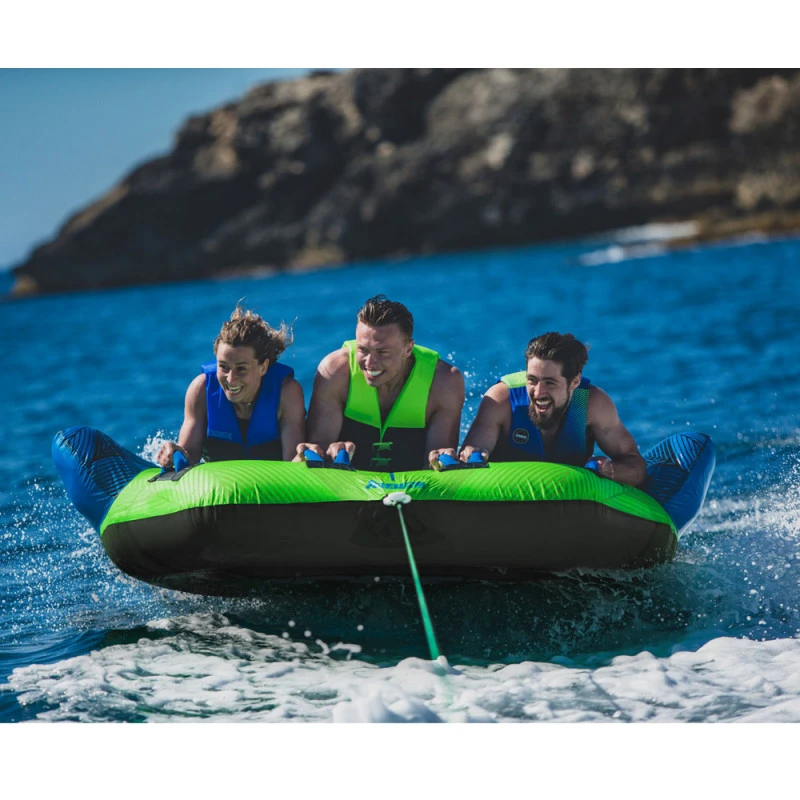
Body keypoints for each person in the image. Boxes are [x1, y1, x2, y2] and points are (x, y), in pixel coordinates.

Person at [446, 332, 646, 486]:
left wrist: (610, 470)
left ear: (574, 382)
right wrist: (470, 455)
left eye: (550, 383)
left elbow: (636, 465)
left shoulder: (591, 405)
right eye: (532, 380)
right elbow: (472, 453)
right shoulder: (502, 400)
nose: (538, 393)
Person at [296, 295, 464, 471]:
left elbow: (437, 464)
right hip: (346, 478)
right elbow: (318, 448)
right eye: (363, 350)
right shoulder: (335, 372)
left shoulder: (444, 382)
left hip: (414, 481)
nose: (369, 363)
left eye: (382, 352)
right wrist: (324, 453)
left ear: (408, 349)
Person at [156, 306, 306, 467]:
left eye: (241, 369)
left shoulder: (287, 393)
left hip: (271, 480)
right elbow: (188, 457)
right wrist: (173, 455)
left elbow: (292, 464)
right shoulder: (201, 390)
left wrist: (303, 458)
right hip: (221, 482)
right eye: (223, 367)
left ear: (263, 367)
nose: (231, 379)